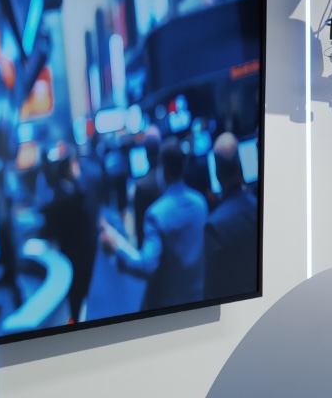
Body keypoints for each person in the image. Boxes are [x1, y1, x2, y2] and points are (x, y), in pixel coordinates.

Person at [99, 140, 208, 312]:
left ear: (162, 168)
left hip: (168, 308)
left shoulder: (156, 214)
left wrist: (115, 249)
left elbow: (147, 266)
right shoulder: (200, 203)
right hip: (199, 298)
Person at [40, 152, 98, 323]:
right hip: (76, 261)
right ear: (68, 169)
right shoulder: (69, 198)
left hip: (84, 259)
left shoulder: (70, 193)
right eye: (74, 165)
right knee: (78, 306)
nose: (78, 169)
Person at [203, 132, 259, 303]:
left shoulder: (214, 226)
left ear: (217, 173)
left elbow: (211, 291)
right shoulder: (258, 206)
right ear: (240, 166)